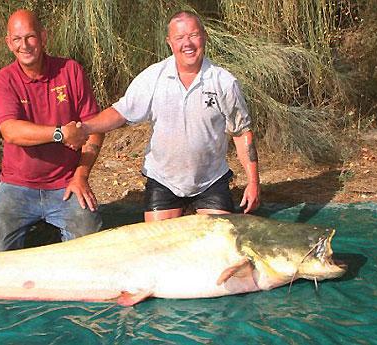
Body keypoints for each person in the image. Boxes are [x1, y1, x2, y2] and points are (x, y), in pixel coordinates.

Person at [82, 10, 260, 222]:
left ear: (204, 36)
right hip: (164, 180)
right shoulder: (152, 77)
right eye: (179, 38)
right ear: (169, 42)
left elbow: (241, 133)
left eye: (193, 35)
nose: (188, 43)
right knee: (157, 244)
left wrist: (253, 182)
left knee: (218, 246)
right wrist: (84, 128)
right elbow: (120, 113)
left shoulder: (224, 82)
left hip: (211, 180)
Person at [0, 9, 104, 252]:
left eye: (30, 37)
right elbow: (11, 131)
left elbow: (94, 127)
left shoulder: (71, 71)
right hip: (17, 186)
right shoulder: (2, 81)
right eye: (17, 39)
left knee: (91, 246)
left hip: (66, 183)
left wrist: (81, 176)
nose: (24, 45)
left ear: (44, 37)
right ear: (9, 43)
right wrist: (61, 133)